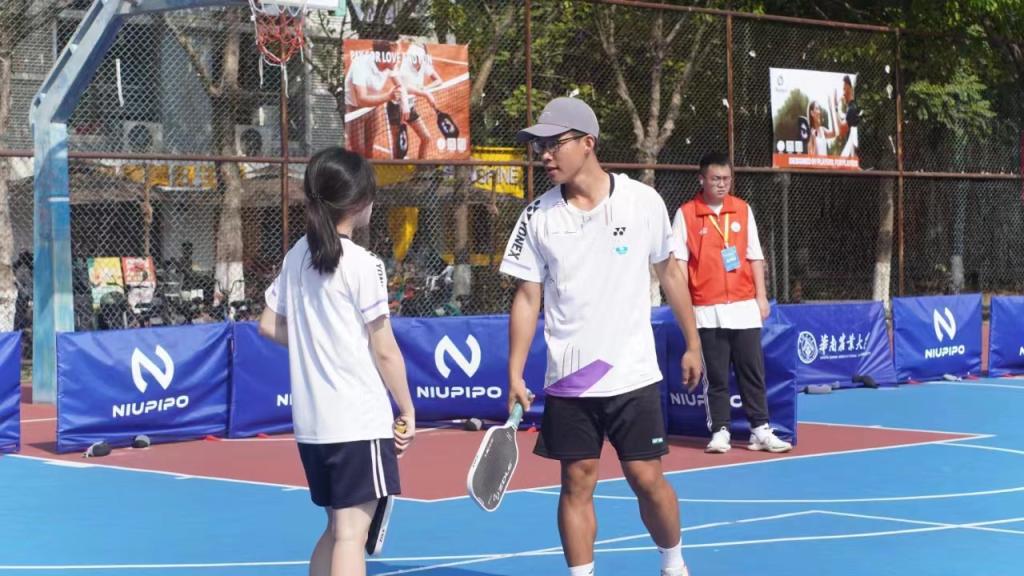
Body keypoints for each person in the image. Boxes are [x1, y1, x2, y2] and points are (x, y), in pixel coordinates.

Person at [501, 97, 703, 576]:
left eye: (554, 144)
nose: (544, 155)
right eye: (539, 147)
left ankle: (673, 565)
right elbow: (527, 298)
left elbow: (670, 273)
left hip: (632, 372)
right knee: (576, 481)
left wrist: (693, 342)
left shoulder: (642, 201)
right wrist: (514, 372)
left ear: (588, 143)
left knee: (646, 478)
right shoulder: (537, 216)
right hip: (570, 379)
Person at [259, 147, 416, 576]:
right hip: (357, 421)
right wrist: (407, 407)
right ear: (359, 201)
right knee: (351, 536)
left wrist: (316, 342)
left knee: (336, 530)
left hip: (313, 426)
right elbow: (384, 349)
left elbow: (268, 325)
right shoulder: (365, 264)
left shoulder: (297, 255)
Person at [671, 151, 792, 455]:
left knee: (752, 372)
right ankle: (720, 431)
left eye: (726, 178)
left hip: (743, 306)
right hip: (706, 309)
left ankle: (760, 430)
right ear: (702, 179)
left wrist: (761, 297)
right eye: (715, 178)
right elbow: (679, 265)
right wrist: (685, 305)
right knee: (716, 376)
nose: (722, 184)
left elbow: (754, 255)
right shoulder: (686, 214)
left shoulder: (742, 209)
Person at [344, 40, 401, 158]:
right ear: (384, 56)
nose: (398, 59)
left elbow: (401, 86)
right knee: (358, 151)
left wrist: (406, 106)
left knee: (369, 147)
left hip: (373, 109)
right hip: (354, 110)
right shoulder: (360, 65)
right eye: (395, 55)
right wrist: (388, 96)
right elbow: (362, 99)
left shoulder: (390, 65)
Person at [390, 43, 444, 159]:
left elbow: (439, 80)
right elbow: (405, 88)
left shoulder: (424, 65)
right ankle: (395, 166)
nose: (414, 61)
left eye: (417, 58)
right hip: (396, 107)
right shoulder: (405, 67)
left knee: (426, 138)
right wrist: (424, 93)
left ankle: (421, 167)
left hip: (410, 106)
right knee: (398, 144)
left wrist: (426, 89)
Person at [837, 76, 859, 158]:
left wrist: (835, 107)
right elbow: (843, 116)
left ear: (849, 88)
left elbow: (841, 130)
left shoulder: (852, 109)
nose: (843, 94)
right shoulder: (852, 108)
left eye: (844, 89)